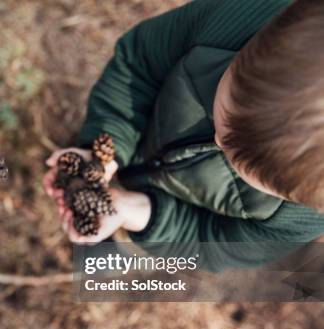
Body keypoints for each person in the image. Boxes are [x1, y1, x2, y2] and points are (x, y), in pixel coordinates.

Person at [44, 0, 324, 254]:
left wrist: (138, 212)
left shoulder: (302, 220)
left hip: (163, 209)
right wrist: (105, 150)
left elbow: (213, 245)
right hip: (142, 128)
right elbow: (138, 65)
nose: (216, 140)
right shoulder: (235, 22)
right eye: (223, 112)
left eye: (236, 159)